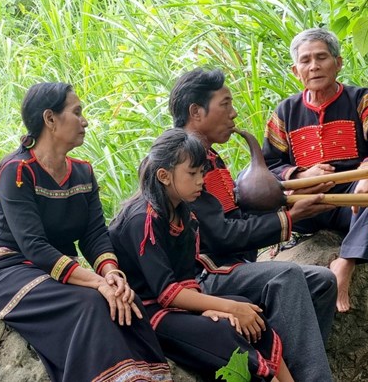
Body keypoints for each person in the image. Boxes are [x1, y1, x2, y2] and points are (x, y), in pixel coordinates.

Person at [0, 82, 172, 382]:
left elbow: (94, 235)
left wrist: (111, 275)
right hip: (10, 273)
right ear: (50, 119)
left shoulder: (83, 172)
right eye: (77, 112)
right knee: (92, 302)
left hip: (57, 274)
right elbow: (33, 246)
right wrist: (97, 283)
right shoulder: (18, 171)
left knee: (127, 300)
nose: (85, 121)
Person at [168, 68, 337, 382]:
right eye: (225, 104)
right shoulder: (181, 160)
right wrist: (290, 217)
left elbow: (233, 218)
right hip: (204, 274)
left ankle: (291, 372)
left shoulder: (209, 157)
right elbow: (220, 235)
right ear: (196, 112)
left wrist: (287, 202)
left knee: (323, 282)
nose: (234, 113)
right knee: (286, 276)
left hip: (231, 268)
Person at [109, 128, 294, 382]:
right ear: (164, 176)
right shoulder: (143, 220)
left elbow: (187, 281)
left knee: (252, 314)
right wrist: (226, 308)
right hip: (145, 313)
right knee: (224, 331)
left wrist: (206, 310)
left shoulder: (184, 213)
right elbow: (167, 292)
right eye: (192, 173)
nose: (201, 181)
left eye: (202, 172)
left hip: (174, 306)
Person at [262, 27, 368, 313]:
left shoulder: (362, 99)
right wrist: (301, 176)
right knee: (253, 193)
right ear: (295, 71)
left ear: (338, 63)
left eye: (321, 57)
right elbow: (269, 165)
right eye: (305, 60)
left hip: (353, 202)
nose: (314, 66)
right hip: (307, 205)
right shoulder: (284, 112)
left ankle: (345, 263)